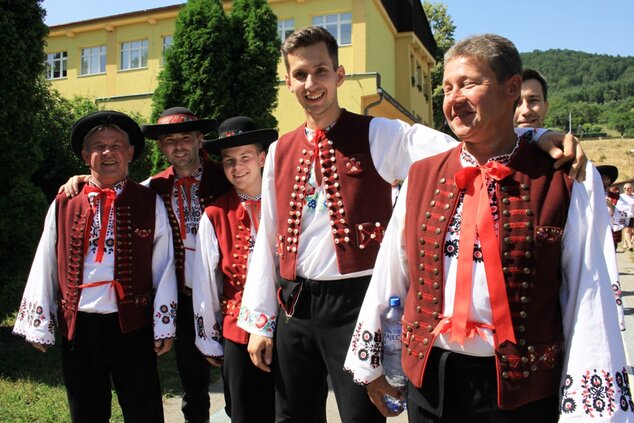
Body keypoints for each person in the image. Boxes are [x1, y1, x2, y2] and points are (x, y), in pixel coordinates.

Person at [237, 26, 586, 423]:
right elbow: (267, 236)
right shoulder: (280, 149)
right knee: (292, 413)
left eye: (320, 71)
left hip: (353, 301)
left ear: (339, 75)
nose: (311, 83)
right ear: (288, 82)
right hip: (294, 303)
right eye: (300, 75)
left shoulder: (379, 133)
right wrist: (261, 321)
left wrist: (534, 135)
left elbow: (467, 146)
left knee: (359, 416)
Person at [344, 34, 631, 422]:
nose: (453, 98)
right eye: (446, 87)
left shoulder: (565, 180)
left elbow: (589, 291)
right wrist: (374, 362)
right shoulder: (423, 175)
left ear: (512, 87)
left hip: (523, 392)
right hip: (431, 381)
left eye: (468, 83)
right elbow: (392, 273)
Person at [61, 106, 232, 423]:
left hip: (229, 293)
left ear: (199, 140)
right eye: (169, 140)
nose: (177, 146)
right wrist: (84, 177)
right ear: (160, 147)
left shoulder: (226, 177)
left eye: (185, 138)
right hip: (183, 295)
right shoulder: (154, 187)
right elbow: (114, 186)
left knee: (236, 378)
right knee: (192, 380)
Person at [13, 110, 178, 423]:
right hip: (80, 325)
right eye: (99, 146)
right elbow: (46, 259)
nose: (108, 153)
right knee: (87, 410)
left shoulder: (148, 200)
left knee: (144, 409)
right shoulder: (65, 200)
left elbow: (164, 264)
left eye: (117, 145)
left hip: (131, 324)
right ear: (85, 155)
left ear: (130, 153)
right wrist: (39, 320)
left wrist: (164, 321)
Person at [191, 116, 277, 422]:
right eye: (229, 161)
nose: (237, 167)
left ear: (262, 158)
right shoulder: (215, 214)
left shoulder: (287, 203)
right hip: (238, 332)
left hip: (289, 329)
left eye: (245, 157)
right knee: (243, 412)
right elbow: (205, 283)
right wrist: (211, 336)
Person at [618, 182, 634, 250]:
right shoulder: (621, 196)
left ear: (632, 189)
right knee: (627, 230)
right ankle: (630, 244)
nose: (626, 189)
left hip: (632, 215)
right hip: (624, 215)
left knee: (630, 230)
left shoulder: (633, 196)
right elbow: (617, 206)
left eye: (628, 188)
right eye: (625, 188)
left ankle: (626, 243)